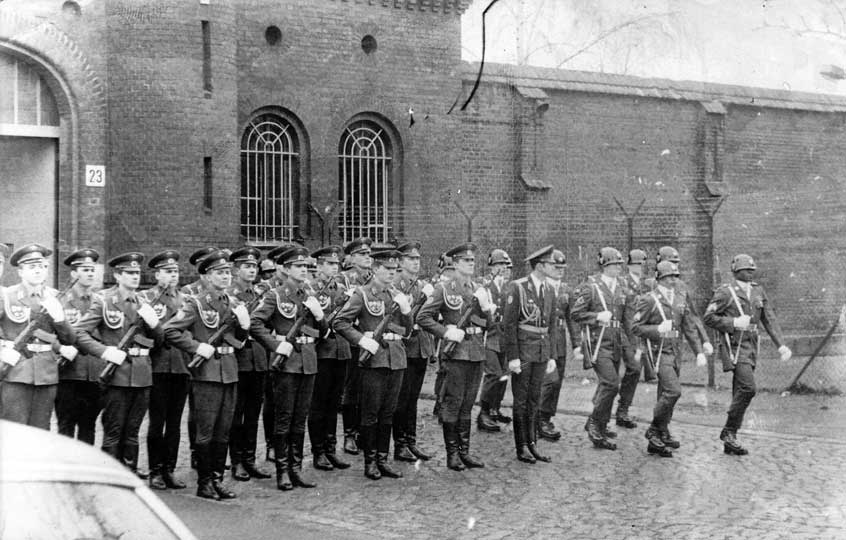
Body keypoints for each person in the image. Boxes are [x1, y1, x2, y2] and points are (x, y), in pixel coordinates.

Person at [163, 250, 247, 500]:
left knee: (224, 430)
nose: (226, 276)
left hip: (229, 371)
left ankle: (217, 479)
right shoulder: (196, 303)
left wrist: (244, 327)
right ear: (208, 276)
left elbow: (238, 342)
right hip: (207, 374)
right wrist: (196, 347)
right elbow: (170, 330)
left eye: (227, 272)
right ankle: (204, 482)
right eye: (220, 273)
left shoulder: (233, 303)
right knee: (206, 431)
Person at [75, 252, 161, 475]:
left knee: (133, 430)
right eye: (129, 273)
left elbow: (160, 343)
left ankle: (129, 474)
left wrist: (155, 325)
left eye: (137, 273)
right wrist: (105, 352)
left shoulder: (144, 302)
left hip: (142, 374)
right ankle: (111, 476)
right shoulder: (104, 301)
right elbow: (80, 333)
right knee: (114, 430)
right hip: (116, 375)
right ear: (117, 276)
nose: (135, 276)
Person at [334, 246, 412, 480]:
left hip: (396, 358)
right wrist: (361, 340)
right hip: (374, 359)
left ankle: (382, 459)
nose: (392, 272)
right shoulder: (363, 293)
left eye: (394, 269)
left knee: (388, 412)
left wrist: (406, 311)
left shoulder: (396, 294)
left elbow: (407, 331)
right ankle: (370, 461)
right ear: (376, 269)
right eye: (387, 268)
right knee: (371, 413)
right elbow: (340, 322)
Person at [251, 246, 326, 491]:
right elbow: (255, 323)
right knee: (284, 418)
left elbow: (324, 333)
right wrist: (275, 345)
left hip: (308, 361)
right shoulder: (276, 295)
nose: (304, 270)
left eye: (306, 266)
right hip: (286, 363)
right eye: (298, 266)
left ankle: (296, 469)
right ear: (286, 269)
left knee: (300, 419)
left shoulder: (310, 295)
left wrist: (320, 316)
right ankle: (282, 471)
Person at [703, 254, 791, 455]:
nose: (750, 273)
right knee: (748, 388)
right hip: (734, 346)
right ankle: (728, 431)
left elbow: (769, 318)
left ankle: (730, 439)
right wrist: (733, 322)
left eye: (752, 270)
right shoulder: (725, 292)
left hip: (751, 346)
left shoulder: (758, 290)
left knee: (739, 390)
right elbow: (708, 317)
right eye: (746, 270)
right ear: (736, 272)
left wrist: (781, 345)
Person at [417, 242, 494, 471]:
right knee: (453, 403)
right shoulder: (444, 288)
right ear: (456, 263)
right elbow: (422, 317)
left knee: (468, 404)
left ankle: (464, 452)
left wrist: (486, 308)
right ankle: (452, 454)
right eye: (466, 261)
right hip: (456, 353)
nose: (471, 264)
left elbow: (489, 325)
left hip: (476, 352)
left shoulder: (478, 289)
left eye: (472, 261)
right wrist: (445, 332)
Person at [632, 261, 706, 457]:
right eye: (668, 277)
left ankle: (660, 435)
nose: (673, 280)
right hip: (659, 352)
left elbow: (688, 326)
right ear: (659, 279)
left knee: (665, 393)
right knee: (673, 391)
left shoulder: (680, 298)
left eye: (675, 276)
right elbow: (635, 327)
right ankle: (654, 429)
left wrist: (698, 351)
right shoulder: (649, 300)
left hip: (675, 352)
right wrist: (657, 329)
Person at [0, 244, 76, 429]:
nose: (38, 271)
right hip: (16, 372)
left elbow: (69, 339)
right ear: (20, 271)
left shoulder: (55, 297)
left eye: (42, 266)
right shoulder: (7, 296)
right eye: (32, 266)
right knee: (15, 430)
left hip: (46, 374)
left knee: (41, 431)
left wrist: (59, 318)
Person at [501, 245, 558, 464]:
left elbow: (551, 325)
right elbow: (509, 324)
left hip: (541, 352)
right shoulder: (518, 287)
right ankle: (521, 446)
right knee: (521, 400)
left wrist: (551, 355)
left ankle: (532, 443)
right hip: (524, 352)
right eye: (550, 264)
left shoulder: (549, 289)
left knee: (535, 399)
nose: (554, 267)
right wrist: (513, 357)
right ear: (540, 266)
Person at [571, 247, 629, 450]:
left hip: (615, 342)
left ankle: (600, 425)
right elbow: (576, 313)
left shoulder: (621, 287)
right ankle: (595, 424)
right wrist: (596, 316)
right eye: (613, 264)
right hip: (598, 343)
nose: (618, 268)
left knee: (611, 385)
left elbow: (626, 318)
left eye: (619, 264)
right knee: (611, 383)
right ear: (604, 266)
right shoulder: (592, 287)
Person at [143, 250, 191, 490]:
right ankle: (155, 471)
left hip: (181, 365)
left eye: (175, 271)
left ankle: (169, 469)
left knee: (174, 423)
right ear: (157, 275)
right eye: (168, 271)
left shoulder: (186, 300)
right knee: (157, 421)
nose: (173, 275)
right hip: (158, 365)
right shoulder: (146, 298)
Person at [227, 247, 272, 482]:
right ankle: (236, 461)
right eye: (247, 266)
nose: (252, 270)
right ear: (236, 270)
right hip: (239, 358)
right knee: (237, 414)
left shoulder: (262, 293)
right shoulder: (229, 295)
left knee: (253, 414)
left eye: (254, 266)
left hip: (259, 358)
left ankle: (250, 459)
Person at [307, 245, 352, 471]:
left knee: (334, 403)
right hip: (321, 351)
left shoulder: (343, 289)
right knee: (319, 403)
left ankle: (331, 448)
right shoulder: (310, 289)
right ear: (319, 266)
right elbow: (305, 325)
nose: (335, 267)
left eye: (337, 263)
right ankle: (318, 451)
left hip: (341, 350)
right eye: (330, 263)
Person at [391, 241, 436, 462]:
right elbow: (394, 319)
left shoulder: (421, 285)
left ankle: (411, 441)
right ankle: (400, 444)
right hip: (405, 346)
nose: (416, 262)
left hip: (420, 348)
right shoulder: (395, 285)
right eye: (410, 259)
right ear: (400, 262)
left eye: (418, 259)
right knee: (402, 398)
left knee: (413, 398)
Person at [54, 249, 102, 445]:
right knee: (65, 425)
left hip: (93, 372)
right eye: (85, 270)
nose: (90, 273)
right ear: (73, 273)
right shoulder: (60, 300)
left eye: (92, 270)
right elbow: (49, 332)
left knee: (88, 426)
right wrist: (60, 348)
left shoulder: (101, 301)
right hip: (69, 373)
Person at [538, 249, 581, 441]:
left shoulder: (566, 290)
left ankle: (547, 416)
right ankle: (539, 418)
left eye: (562, 268)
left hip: (560, 340)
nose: (560, 271)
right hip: (544, 338)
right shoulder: (540, 287)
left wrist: (577, 344)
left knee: (557, 381)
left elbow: (572, 319)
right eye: (556, 267)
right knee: (548, 380)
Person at [338, 237, 373, 455]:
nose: (367, 257)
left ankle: (363, 432)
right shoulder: (343, 279)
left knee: (368, 388)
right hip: (351, 340)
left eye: (368, 254)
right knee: (351, 388)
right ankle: (349, 434)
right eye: (362, 254)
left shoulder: (374, 278)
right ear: (351, 258)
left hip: (371, 339)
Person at [476, 248, 513, 433]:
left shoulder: (508, 287)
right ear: (491, 267)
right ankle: (483, 413)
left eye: (505, 265)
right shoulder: (484, 287)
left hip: (504, 336)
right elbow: (474, 315)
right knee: (493, 374)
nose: (502, 268)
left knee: (504, 375)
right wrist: (487, 319)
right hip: (489, 336)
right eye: (498, 264)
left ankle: (494, 408)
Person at [615, 248, 651, 427]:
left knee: (636, 372)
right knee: (634, 369)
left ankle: (623, 409)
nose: (640, 267)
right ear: (629, 266)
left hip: (641, 335)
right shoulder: (622, 283)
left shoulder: (647, 285)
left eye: (642, 264)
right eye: (637, 264)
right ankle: (621, 410)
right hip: (625, 335)